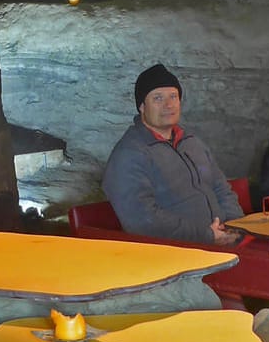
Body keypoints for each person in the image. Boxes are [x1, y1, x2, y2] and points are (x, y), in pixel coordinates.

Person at [103, 63, 244, 246]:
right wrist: (206, 235)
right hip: (176, 254)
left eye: (173, 96)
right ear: (142, 107)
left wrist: (235, 226)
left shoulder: (192, 143)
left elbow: (221, 188)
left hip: (222, 243)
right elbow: (143, 219)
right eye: (158, 98)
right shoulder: (130, 154)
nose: (168, 105)